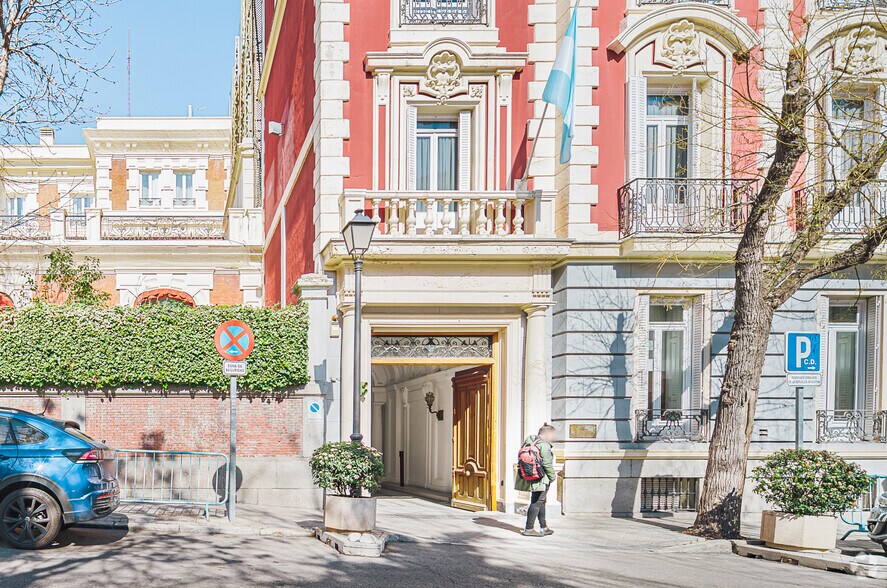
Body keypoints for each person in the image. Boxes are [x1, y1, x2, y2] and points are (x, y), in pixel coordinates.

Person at [515, 423, 557, 537]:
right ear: (547, 434)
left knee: (540, 501)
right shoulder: (544, 445)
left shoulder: (530, 441)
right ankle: (529, 528)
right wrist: (553, 477)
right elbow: (547, 463)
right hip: (541, 477)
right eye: (552, 435)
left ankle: (544, 527)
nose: (553, 438)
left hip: (532, 475)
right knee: (536, 502)